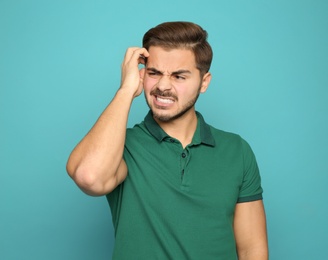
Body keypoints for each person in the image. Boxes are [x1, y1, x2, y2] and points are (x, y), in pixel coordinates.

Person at [66, 21, 268, 259]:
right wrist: (126, 90)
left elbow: (251, 249)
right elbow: (89, 177)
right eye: (154, 73)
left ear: (204, 82)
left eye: (179, 76)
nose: (163, 86)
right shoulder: (122, 146)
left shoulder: (237, 150)